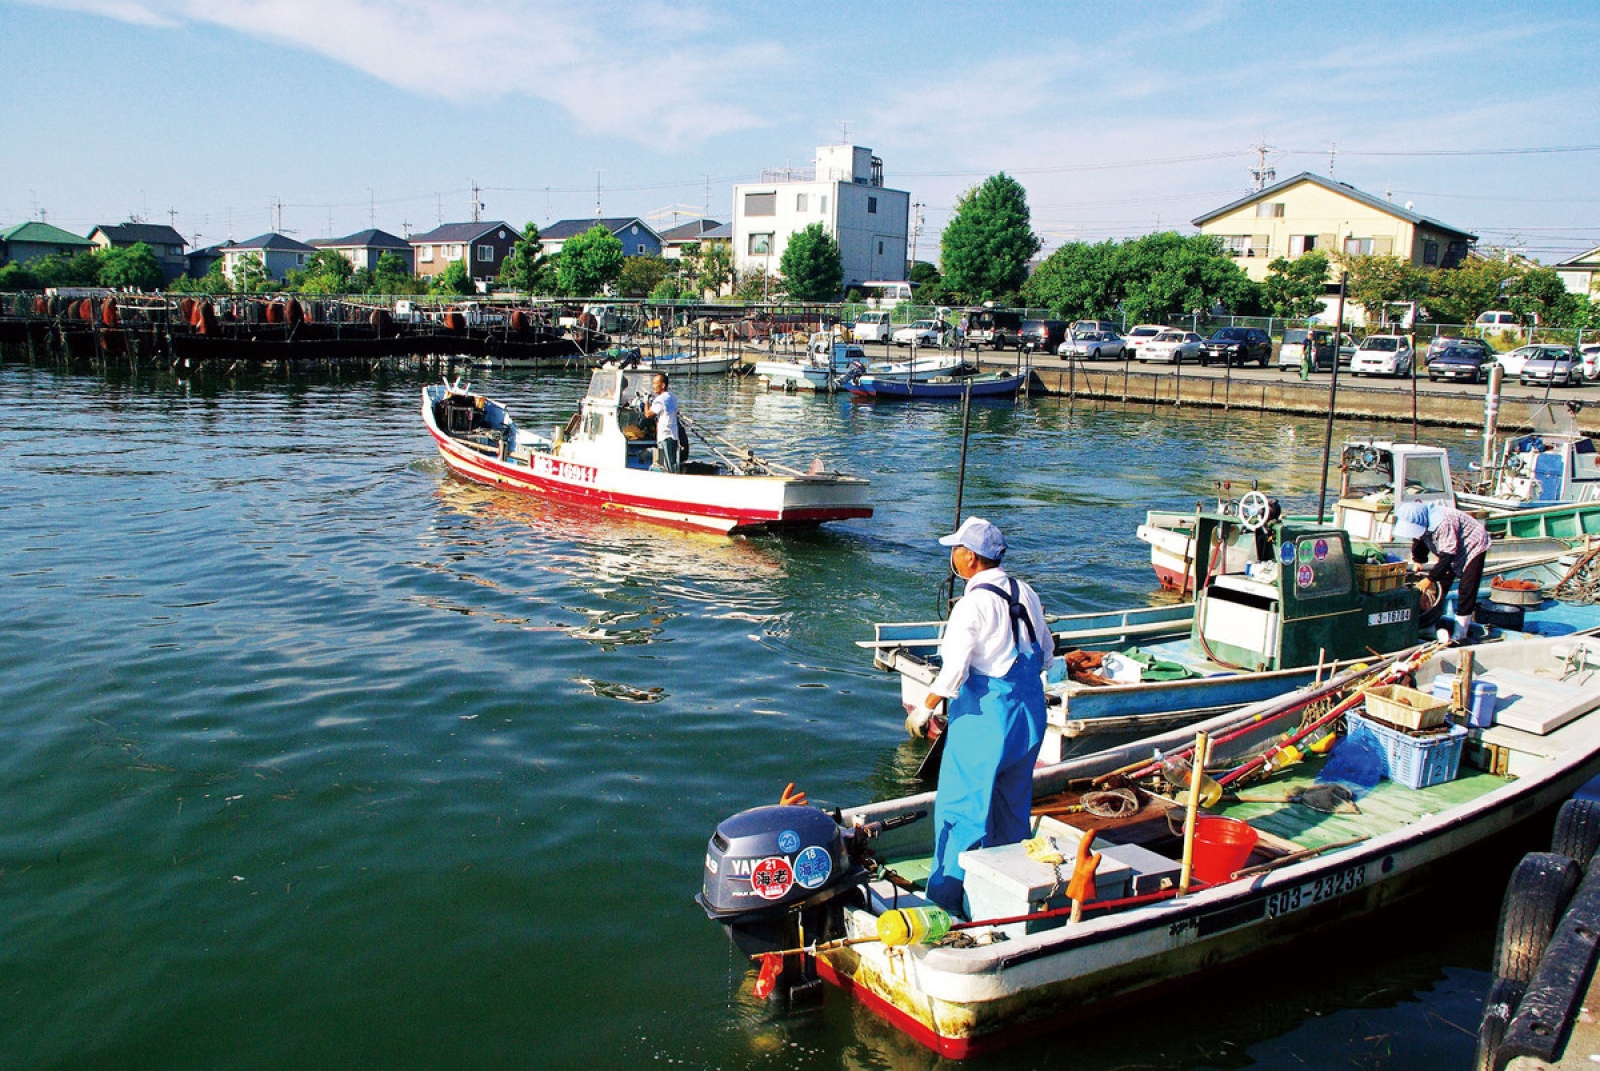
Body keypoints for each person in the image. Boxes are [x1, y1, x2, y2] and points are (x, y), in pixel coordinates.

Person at [917, 517, 1051, 914]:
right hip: (1029, 713)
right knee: (1012, 806)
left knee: (963, 811)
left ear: (970, 558)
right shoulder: (1025, 591)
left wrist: (924, 710)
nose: (952, 558)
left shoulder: (972, 604)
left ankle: (947, 904)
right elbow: (1045, 652)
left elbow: (954, 671)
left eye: (955, 551)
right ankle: (1006, 902)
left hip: (984, 719)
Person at [1393, 500, 1491, 642]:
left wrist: (1430, 578)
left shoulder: (1445, 523)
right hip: (1451, 548)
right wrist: (1418, 560)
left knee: (1467, 587)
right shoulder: (1425, 525)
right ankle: (1429, 623)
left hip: (1473, 545)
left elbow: (1448, 556)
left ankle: (1461, 632)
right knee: (1439, 586)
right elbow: (1420, 540)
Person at [646, 373, 681, 473]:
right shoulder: (671, 396)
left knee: (668, 465)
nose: (653, 386)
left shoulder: (661, 399)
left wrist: (646, 402)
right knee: (668, 463)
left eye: (655, 384)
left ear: (662, 385)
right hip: (672, 434)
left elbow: (648, 415)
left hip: (666, 436)